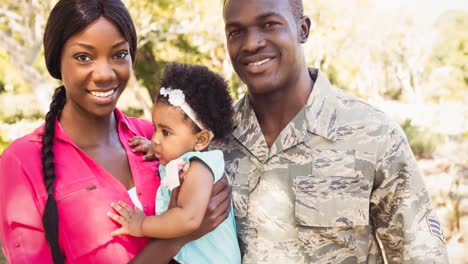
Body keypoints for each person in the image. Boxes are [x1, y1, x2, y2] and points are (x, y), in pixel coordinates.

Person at [218, 0, 449, 263]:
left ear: (303, 29)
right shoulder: (211, 141)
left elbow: (420, 255)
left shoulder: (372, 134)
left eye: (269, 24)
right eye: (236, 32)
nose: (251, 43)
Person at [0, 1, 230, 263]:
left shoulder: (158, 138)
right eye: (83, 57)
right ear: (56, 61)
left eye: (119, 54)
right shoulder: (22, 162)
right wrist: (178, 237)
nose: (105, 74)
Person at [108, 63, 241, 264]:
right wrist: (159, 148)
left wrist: (141, 224)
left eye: (166, 132)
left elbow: (188, 218)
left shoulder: (199, 168)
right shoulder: (183, 158)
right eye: (155, 128)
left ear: (201, 140)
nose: (155, 138)